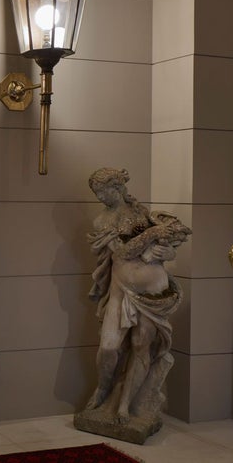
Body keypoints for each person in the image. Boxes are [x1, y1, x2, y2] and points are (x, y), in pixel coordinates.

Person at [84, 168, 190, 424]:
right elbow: (121, 254)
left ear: (117, 187)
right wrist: (152, 235)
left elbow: (171, 248)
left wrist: (167, 252)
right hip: (122, 290)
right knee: (108, 347)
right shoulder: (102, 221)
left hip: (154, 292)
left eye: (102, 191)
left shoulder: (144, 213)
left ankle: (125, 405)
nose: (99, 197)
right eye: (96, 192)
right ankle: (104, 388)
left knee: (142, 345)